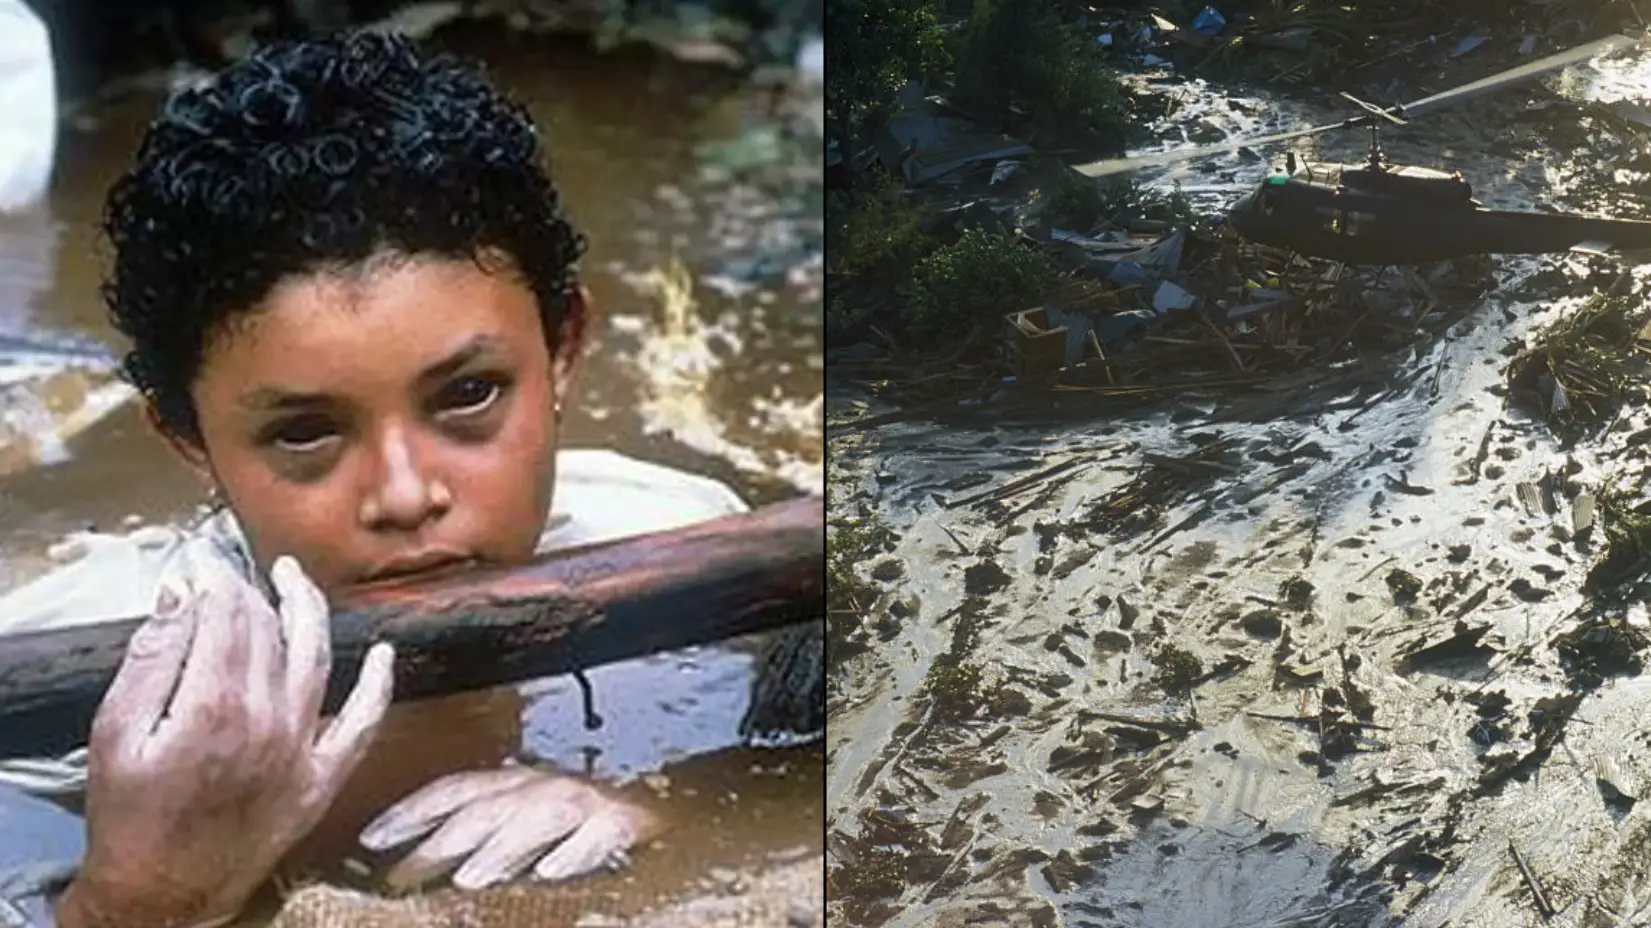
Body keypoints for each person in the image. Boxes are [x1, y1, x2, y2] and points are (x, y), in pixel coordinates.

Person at [0, 29, 756, 927]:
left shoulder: (684, 548)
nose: (404, 495)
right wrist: (134, 901)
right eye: (304, 432)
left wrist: (663, 807)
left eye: (469, 395)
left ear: (563, 349)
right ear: (188, 437)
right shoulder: (63, 710)